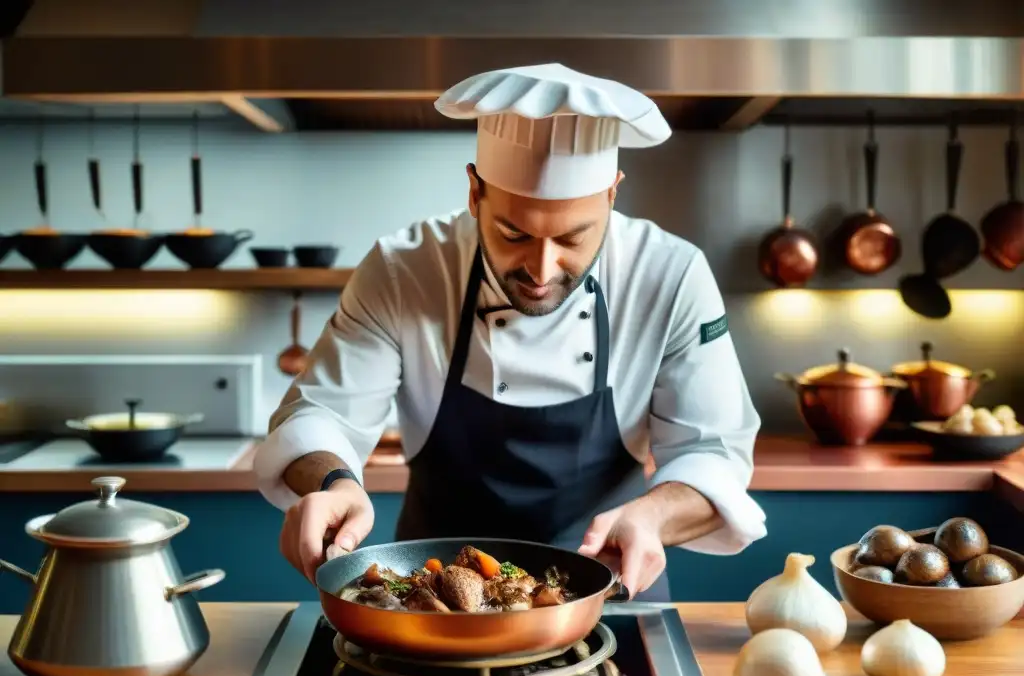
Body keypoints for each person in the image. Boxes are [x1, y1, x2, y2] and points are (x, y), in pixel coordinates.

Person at [254, 63, 767, 601]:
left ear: (613, 195)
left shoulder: (670, 276)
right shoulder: (404, 271)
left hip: (608, 598)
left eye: (573, 237)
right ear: (475, 192)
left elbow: (714, 452)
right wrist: (334, 485)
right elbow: (322, 415)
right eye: (513, 233)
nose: (542, 270)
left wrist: (655, 516)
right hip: (434, 605)